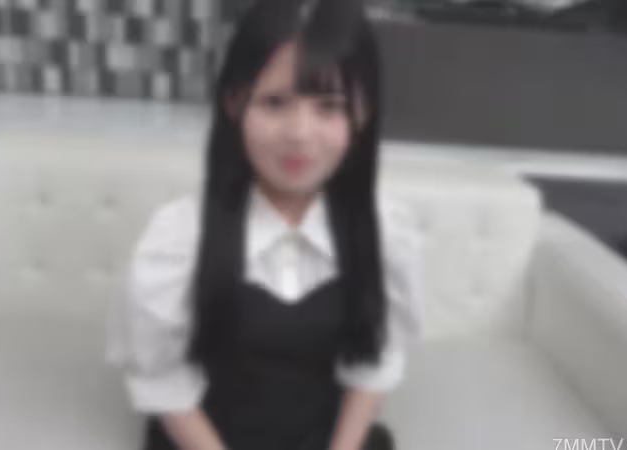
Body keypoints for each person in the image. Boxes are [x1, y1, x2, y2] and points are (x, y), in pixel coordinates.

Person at [107, 0, 423, 448]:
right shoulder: (180, 240)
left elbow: (373, 360)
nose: (299, 133)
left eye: (328, 107)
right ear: (235, 103)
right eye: (275, 103)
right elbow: (164, 384)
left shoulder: (383, 231)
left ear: (362, 113)